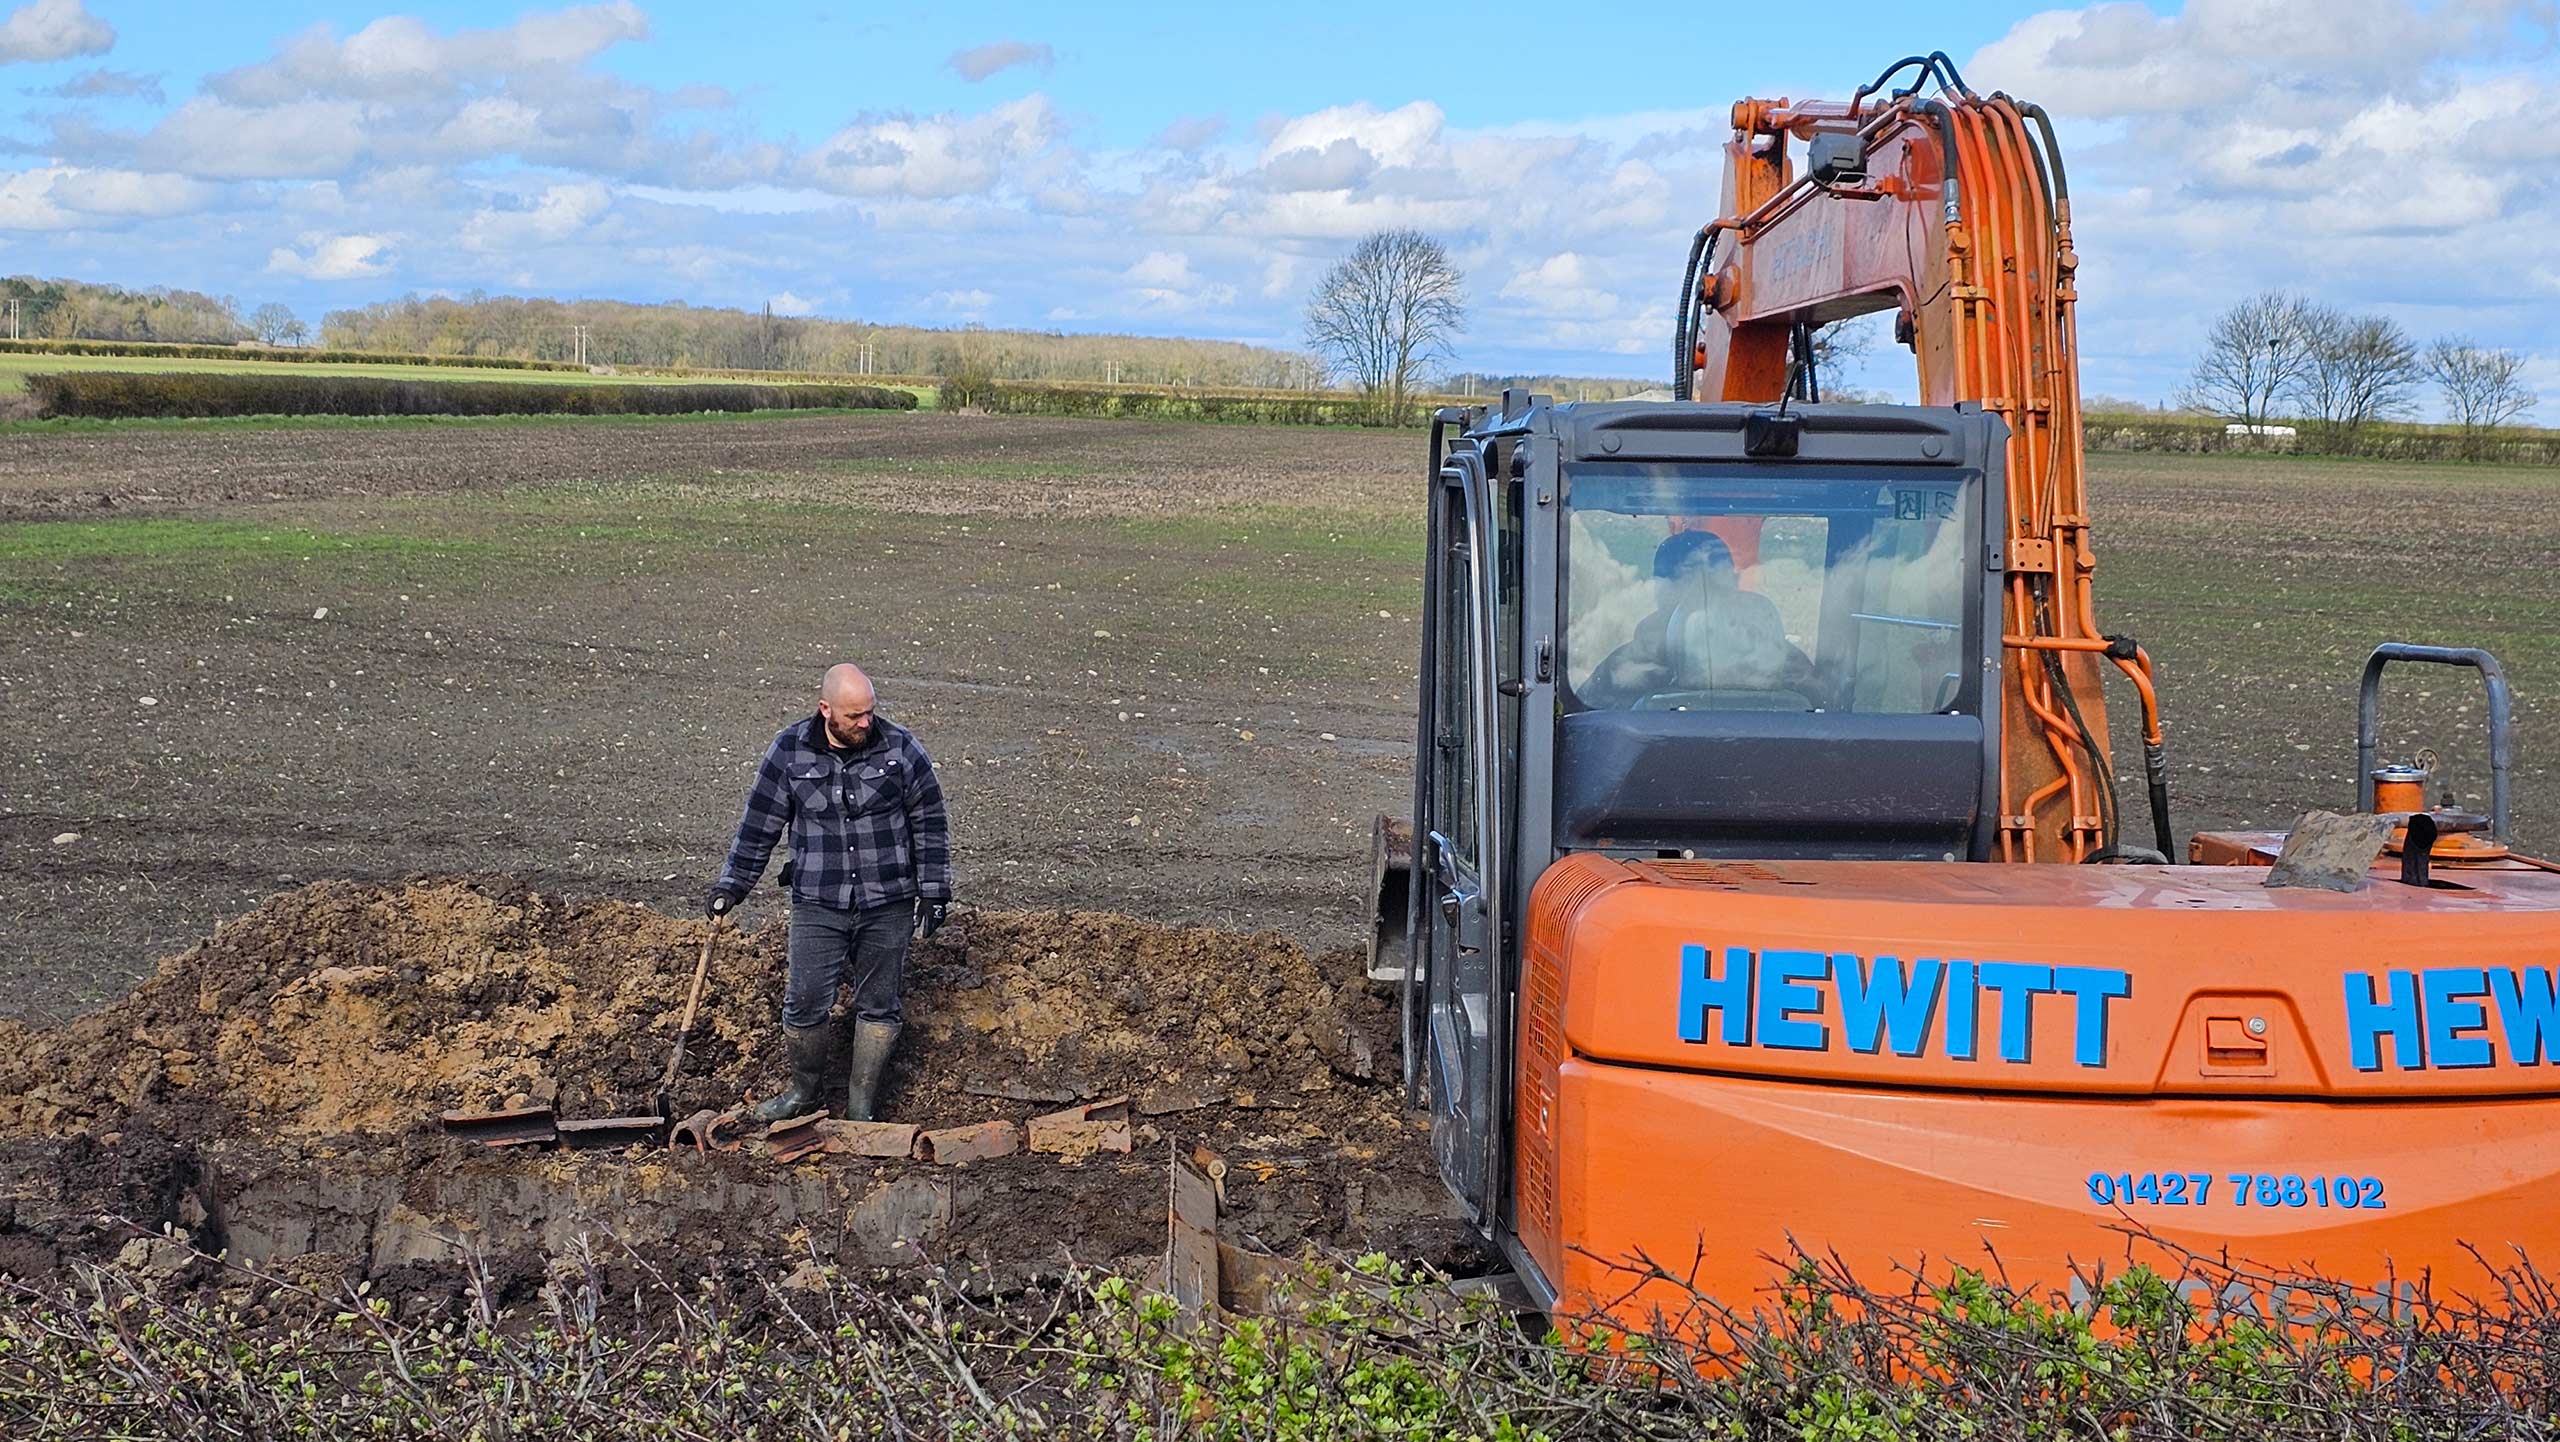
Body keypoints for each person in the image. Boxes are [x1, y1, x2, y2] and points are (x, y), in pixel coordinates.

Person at [707, 663, 952, 1123]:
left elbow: (930, 821)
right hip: (819, 901)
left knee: (880, 1004)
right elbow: (759, 827)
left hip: (888, 901)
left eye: (870, 713)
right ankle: (804, 1092)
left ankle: (861, 1108)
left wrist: (935, 891)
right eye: (855, 715)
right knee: (803, 1003)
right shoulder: (790, 751)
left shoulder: (900, 748)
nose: (866, 723)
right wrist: (731, 885)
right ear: (826, 710)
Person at [1585, 530, 1825, 708]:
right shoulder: (1626, 666)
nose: (1709, 586)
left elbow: (1828, 710)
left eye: (1718, 571)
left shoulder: (1785, 660)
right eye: (1691, 573)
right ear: (1662, 587)